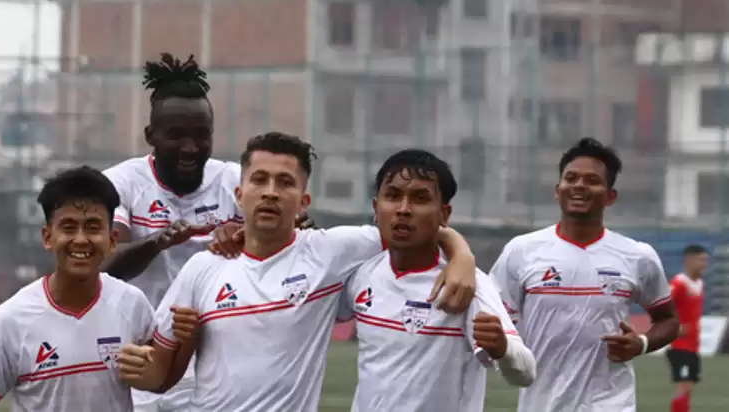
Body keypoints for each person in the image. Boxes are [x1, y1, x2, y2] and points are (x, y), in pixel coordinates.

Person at [116, 132, 477, 412]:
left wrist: (461, 255)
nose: (270, 193)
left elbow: (413, 227)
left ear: (304, 201)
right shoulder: (203, 267)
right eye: (259, 180)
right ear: (239, 194)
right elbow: (159, 376)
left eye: (285, 183)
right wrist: (139, 367)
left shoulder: (332, 252)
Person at [101, 53, 312, 411]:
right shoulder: (121, 183)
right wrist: (159, 240)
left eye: (202, 136)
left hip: (219, 361)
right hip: (144, 356)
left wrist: (243, 231)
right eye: (176, 136)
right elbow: (105, 263)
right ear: (151, 135)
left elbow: (297, 227)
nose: (190, 147)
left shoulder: (234, 181)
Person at [0, 167, 156, 412]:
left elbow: (161, 378)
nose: (81, 239)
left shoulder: (133, 305)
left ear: (112, 239)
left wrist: (166, 353)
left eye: (93, 227)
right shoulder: (10, 320)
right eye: (68, 227)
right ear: (47, 237)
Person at [489, 137, 679, 412]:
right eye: (571, 178)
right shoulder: (521, 251)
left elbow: (669, 320)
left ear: (610, 196)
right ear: (558, 190)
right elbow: (495, 320)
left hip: (611, 404)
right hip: (540, 404)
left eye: (592, 180)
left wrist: (641, 343)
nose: (579, 185)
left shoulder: (638, 256)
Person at [340, 149, 535, 411]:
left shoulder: (468, 285)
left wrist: (502, 349)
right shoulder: (362, 274)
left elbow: (525, 373)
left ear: (444, 214)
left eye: (420, 198)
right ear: (376, 208)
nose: (403, 209)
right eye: (393, 196)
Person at [666, 244, 708, 412]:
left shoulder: (699, 284)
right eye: (700, 260)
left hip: (692, 345)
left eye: (705, 260)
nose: (704, 264)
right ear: (688, 260)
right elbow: (662, 306)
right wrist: (674, 327)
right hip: (679, 345)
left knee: (688, 387)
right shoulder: (679, 283)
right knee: (684, 386)